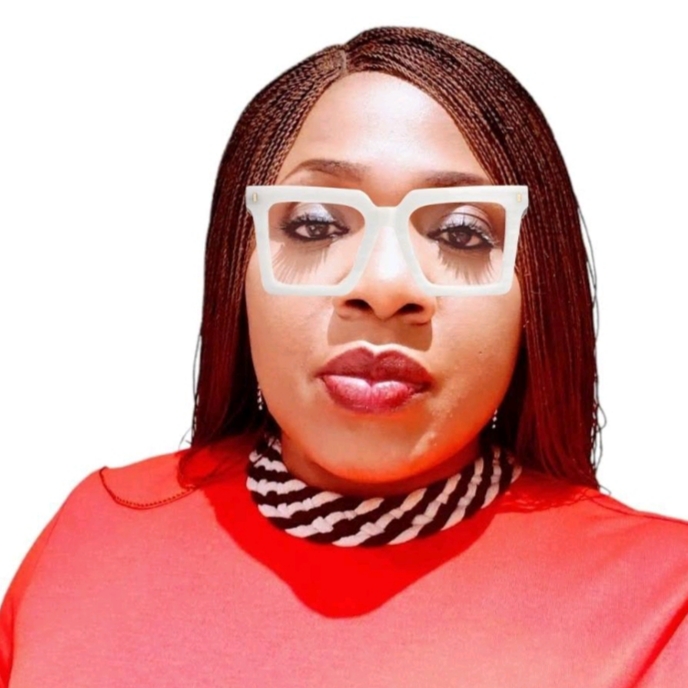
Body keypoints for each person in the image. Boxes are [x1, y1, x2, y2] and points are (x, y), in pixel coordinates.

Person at [1, 25, 686, 687]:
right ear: (235, 270)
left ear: (540, 291)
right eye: (315, 224)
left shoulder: (661, 605)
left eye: (461, 232)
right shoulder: (96, 535)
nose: (384, 288)